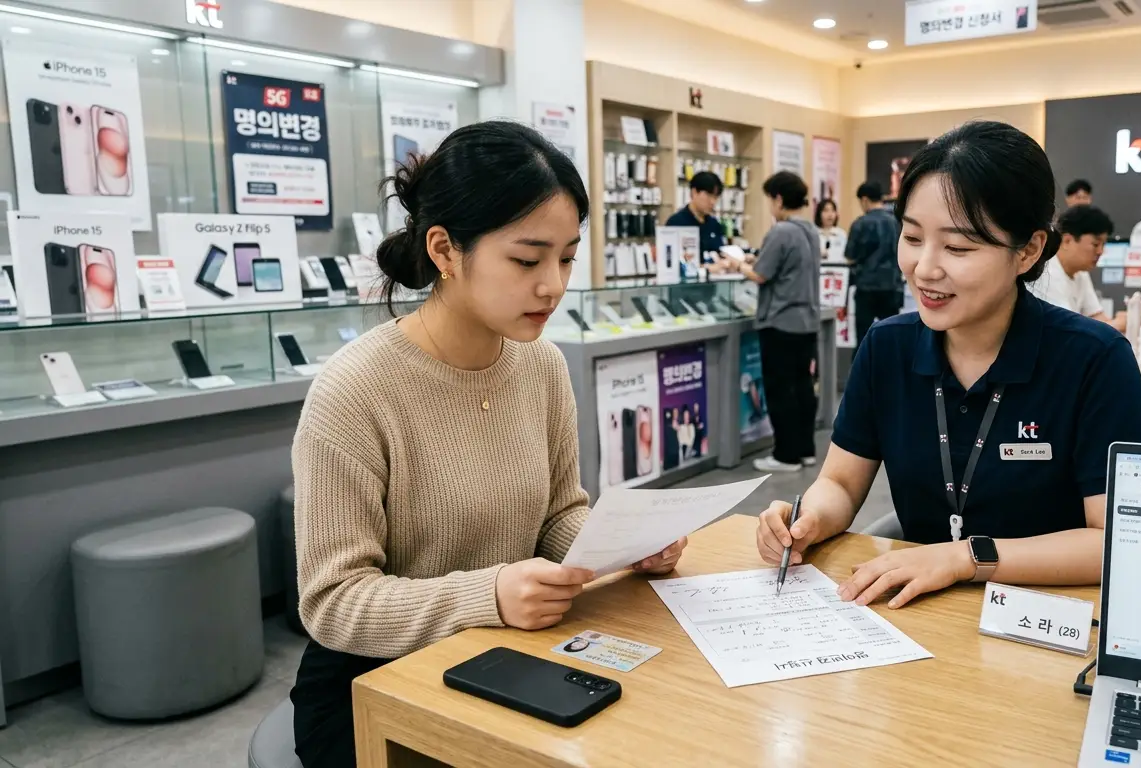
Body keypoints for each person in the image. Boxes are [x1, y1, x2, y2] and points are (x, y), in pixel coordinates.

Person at [289, 121, 687, 768]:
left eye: (566, 256)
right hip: (376, 686)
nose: (554, 286)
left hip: (507, 656)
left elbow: (559, 516)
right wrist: (489, 596)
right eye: (528, 260)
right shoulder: (355, 391)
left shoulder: (543, 365)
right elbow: (335, 603)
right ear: (445, 250)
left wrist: (621, 546)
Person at [753, 121, 1141, 608]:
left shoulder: (1093, 359)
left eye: (959, 247)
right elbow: (840, 481)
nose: (925, 268)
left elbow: (1118, 539)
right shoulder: (888, 347)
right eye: (912, 237)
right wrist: (808, 518)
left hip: (1049, 617)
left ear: (1027, 251)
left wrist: (966, 558)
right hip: (919, 615)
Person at [724, 171, 821, 473]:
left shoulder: (781, 232)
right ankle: (805, 449)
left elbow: (761, 274)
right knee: (803, 387)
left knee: (780, 390)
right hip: (806, 322)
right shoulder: (809, 230)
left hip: (780, 323)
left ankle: (785, 455)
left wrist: (737, 263)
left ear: (778, 198)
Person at [1030, 205, 1126, 330]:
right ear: (1067, 241)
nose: (1101, 251)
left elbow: (1097, 316)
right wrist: (1117, 324)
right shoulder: (1046, 272)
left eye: (1103, 244)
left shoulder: (1081, 272)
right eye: (1095, 244)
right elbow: (1069, 329)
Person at [846, 180, 903, 342]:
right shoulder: (895, 223)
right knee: (892, 337)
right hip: (891, 285)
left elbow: (850, 256)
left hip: (866, 287)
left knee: (864, 337)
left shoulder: (860, 224)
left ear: (864, 200)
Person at [665, 170, 726, 255]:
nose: (712, 202)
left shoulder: (714, 224)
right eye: (709, 195)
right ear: (694, 192)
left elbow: (720, 251)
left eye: (715, 197)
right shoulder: (676, 222)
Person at [815, 198, 847, 263]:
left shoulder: (841, 234)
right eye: (826, 210)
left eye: (833, 211)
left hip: (838, 270)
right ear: (819, 213)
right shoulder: (813, 233)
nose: (830, 214)